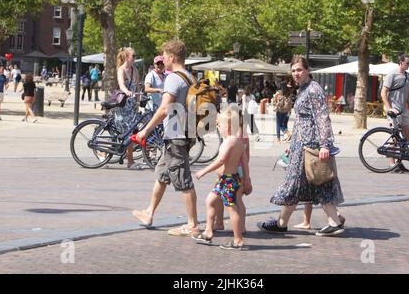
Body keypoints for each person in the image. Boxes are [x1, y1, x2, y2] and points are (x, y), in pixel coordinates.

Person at [257, 56, 345, 237]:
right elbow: (302, 120)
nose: (296, 73)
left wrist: (324, 145)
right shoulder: (303, 89)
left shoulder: (313, 90)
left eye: (299, 70)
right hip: (301, 144)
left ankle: (332, 221)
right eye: (294, 70)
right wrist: (292, 142)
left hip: (310, 146)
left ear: (307, 71)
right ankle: (285, 223)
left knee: (313, 181)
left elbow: (322, 118)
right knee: (304, 183)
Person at [132, 39, 200, 237]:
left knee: (182, 179)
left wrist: (145, 130)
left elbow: (164, 109)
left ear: (171, 57)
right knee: (163, 173)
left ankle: (192, 224)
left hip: (176, 135)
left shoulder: (172, 78)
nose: (163, 60)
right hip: (186, 133)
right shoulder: (190, 77)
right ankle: (149, 213)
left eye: (164, 56)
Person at [192, 108, 251, 249]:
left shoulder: (229, 142)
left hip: (228, 180)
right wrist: (246, 179)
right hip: (230, 179)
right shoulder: (238, 142)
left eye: (219, 125)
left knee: (231, 208)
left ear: (228, 126)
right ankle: (208, 231)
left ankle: (238, 240)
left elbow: (220, 161)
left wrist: (204, 171)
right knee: (210, 201)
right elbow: (244, 162)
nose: (218, 128)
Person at [381, 54, 409, 173]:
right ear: (400, 62)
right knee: (395, 138)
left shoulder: (408, 75)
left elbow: (408, 94)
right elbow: (383, 93)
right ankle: (392, 165)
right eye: (407, 63)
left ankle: (398, 160)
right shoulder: (392, 75)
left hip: (404, 110)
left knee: (408, 135)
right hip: (394, 109)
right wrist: (389, 108)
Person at [113, 47, 142, 170]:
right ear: (127, 57)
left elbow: (138, 87)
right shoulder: (121, 69)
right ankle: (130, 162)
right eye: (133, 55)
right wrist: (127, 92)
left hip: (132, 106)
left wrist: (138, 100)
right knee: (129, 133)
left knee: (131, 132)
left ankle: (124, 155)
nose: (135, 58)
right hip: (123, 105)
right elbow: (121, 85)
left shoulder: (134, 69)